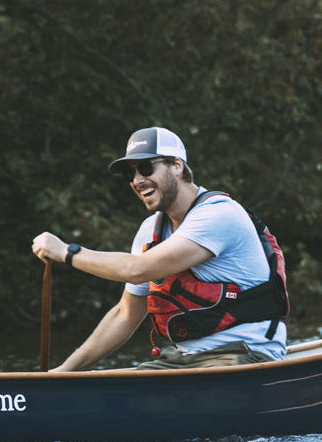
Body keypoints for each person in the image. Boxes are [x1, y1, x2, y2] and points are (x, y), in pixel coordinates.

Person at [31, 127, 287, 372]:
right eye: (129, 175)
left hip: (247, 354)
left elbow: (137, 269)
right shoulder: (149, 230)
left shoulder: (219, 214)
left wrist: (67, 252)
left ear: (177, 166)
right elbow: (125, 314)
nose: (137, 180)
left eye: (145, 168)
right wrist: (63, 372)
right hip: (184, 359)